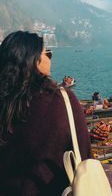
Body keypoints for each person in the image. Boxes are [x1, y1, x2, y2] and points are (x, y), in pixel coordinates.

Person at [0, 31, 91, 196]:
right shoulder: (61, 100)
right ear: (35, 60)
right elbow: (84, 155)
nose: (50, 58)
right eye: (48, 53)